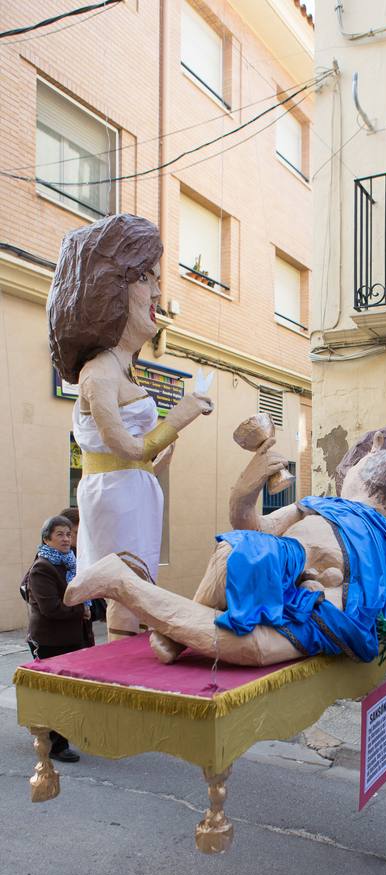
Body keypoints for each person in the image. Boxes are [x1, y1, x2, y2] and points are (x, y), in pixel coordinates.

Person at [64, 425, 386, 669]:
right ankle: (173, 629)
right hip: (285, 561)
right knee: (236, 550)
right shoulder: (314, 504)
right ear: (375, 448)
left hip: (335, 601)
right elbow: (251, 525)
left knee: (255, 650)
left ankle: (123, 584)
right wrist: (247, 488)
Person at [48, 214, 213, 640]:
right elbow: (127, 447)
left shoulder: (124, 369)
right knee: (126, 588)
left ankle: (128, 653)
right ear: (110, 289)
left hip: (132, 492)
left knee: (133, 588)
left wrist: (160, 458)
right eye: (145, 278)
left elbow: (140, 456)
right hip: (116, 495)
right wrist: (181, 416)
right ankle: (120, 662)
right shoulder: (99, 374)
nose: (158, 290)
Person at [26, 515, 89, 762]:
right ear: (46, 538)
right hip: (50, 641)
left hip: (73, 638)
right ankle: (56, 745)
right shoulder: (42, 568)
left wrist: (90, 608)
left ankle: (58, 733)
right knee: (56, 692)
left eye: (69, 534)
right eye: (60, 534)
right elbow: (50, 608)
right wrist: (80, 611)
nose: (66, 539)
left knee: (69, 691)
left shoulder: (70, 562)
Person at [59, 506, 106, 627]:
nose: (81, 537)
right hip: (63, 627)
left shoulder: (79, 553)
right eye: (76, 532)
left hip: (81, 624)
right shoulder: (51, 559)